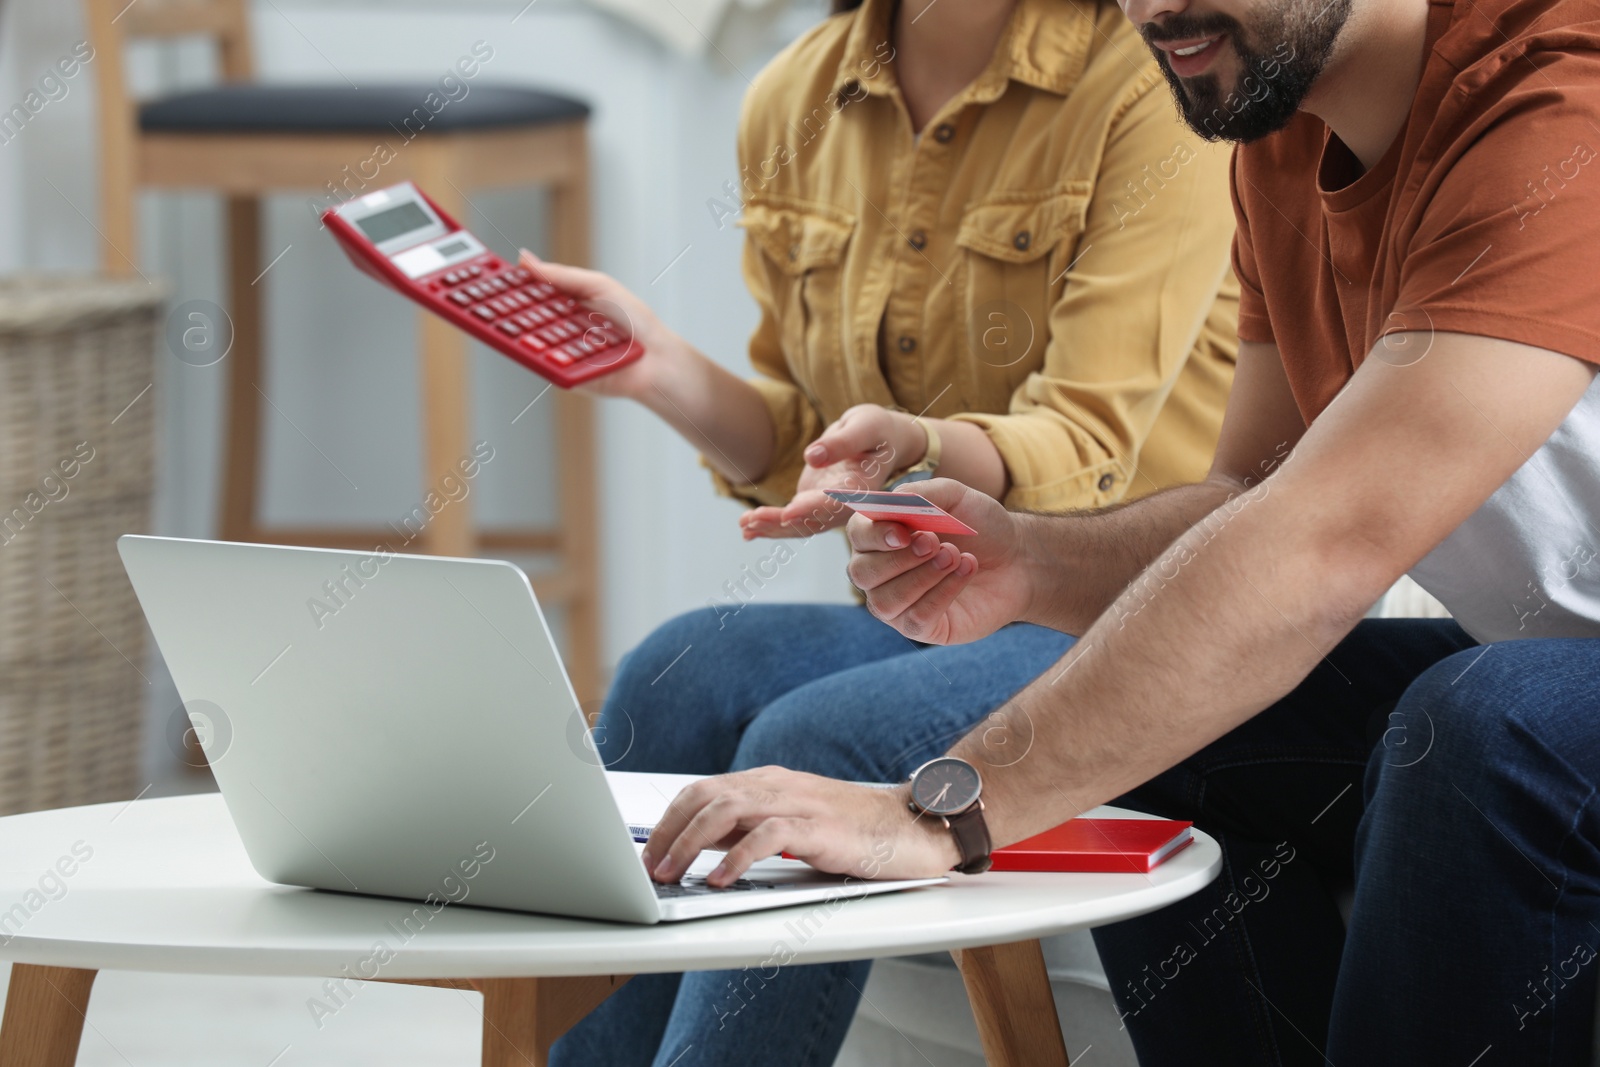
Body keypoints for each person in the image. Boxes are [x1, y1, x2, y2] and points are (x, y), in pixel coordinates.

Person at [641, 0, 1600, 1063]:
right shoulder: (1279, 124)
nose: (1151, 11)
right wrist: (1032, 559)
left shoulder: (1562, 102)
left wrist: (937, 810)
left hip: (1537, 690)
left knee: (1488, 719)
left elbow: (1327, 538)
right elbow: (1252, 490)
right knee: (1186, 731)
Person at [542, 0, 1240, 1062]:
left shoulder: (1153, 86)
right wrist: (657, 370)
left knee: (814, 739)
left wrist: (916, 441)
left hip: (1119, 603)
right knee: (675, 669)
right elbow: (811, 452)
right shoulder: (795, 96)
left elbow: (1087, 436)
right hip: (945, 615)